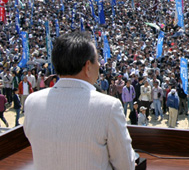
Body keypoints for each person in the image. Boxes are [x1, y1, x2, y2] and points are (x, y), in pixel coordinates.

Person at [23, 31, 135, 170]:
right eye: (97, 60)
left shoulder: (32, 102)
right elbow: (126, 165)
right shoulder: (109, 107)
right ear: (88, 66)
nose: (99, 66)